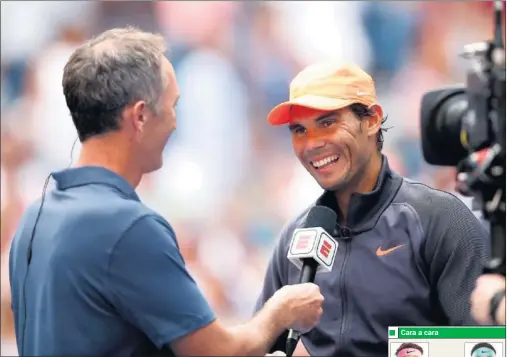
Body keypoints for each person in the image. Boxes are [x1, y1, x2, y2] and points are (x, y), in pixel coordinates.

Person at [8, 27, 325, 357]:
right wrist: (281, 310)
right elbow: (218, 353)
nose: (175, 122)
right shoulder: (128, 226)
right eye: (173, 105)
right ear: (141, 116)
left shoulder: (34, 218)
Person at [255, 62, 489, 356]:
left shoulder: (439, 219)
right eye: (299, 130)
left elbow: (487, 347)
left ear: (371, 120)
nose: (312, 144)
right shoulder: (294, 238)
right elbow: (261, 343)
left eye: (327, 123)